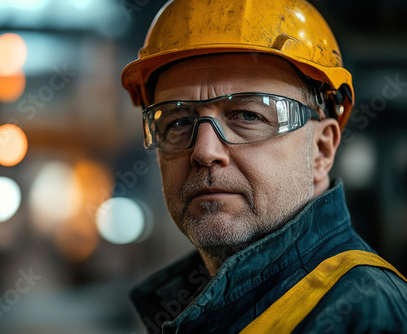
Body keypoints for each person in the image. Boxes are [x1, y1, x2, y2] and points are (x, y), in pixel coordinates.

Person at [121, 0, 407, 333]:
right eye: (178, 122)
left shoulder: (364, 316)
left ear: (321, 150)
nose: (204, 151)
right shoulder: (192, 306)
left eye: (247, 116)